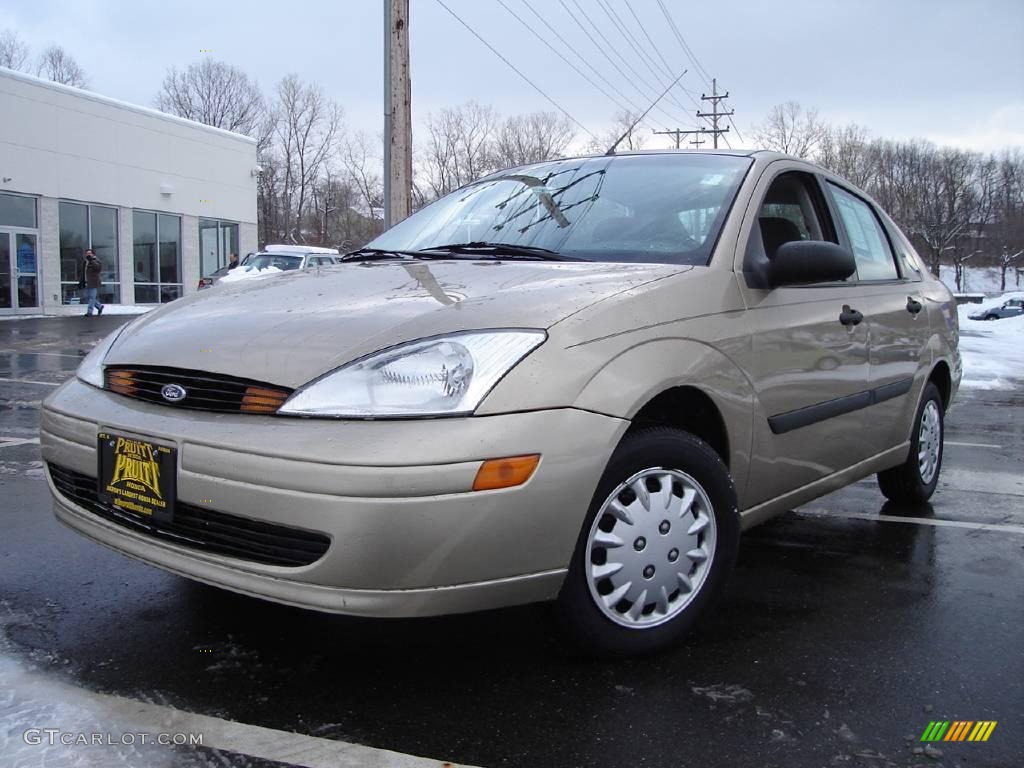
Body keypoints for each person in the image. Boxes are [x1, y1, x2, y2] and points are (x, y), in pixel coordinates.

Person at [83, 249, 104, 317]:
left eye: (90, 253)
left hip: (93, 282)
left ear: (93, 254)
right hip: (86, 282)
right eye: (87, 253)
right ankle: (99, 306)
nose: (88, 254)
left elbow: (98, 268)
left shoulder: (96, 261)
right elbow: (83, 272)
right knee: (87, 297)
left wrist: (91, 260)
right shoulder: (86, 262)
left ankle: (90, 312)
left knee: (92, 297)